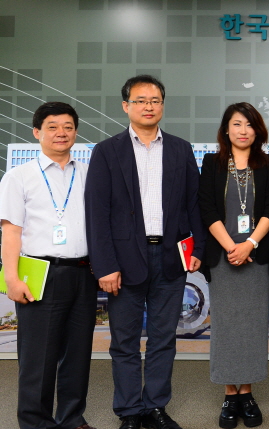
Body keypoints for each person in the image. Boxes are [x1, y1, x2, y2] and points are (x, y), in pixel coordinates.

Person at [85, 75, 206, 429]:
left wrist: (197, 247)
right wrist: (104, 265)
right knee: (124, 342)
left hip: (170, 258)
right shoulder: (107, 151)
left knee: (163, 339)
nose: (148, 107)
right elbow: (97, 212)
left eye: (155, 100)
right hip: (123, 263)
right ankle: (128, 411)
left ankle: (155, 407)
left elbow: (194, 204)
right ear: (126, 106)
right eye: (140, 101)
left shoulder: (181, 149)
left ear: (162, 105)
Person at [0, 102, 96, 429]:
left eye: (68, 127)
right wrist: (12, 279)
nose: (61, 133)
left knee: (78, 354)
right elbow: (11, 232)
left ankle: (71, 418)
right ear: (37, 132)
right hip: (40, 273)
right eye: (52, 127)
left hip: (83, 273)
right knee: (37, 357)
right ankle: (35, 422)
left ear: (76, 132)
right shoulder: (19, 176)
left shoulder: (88, 174)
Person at [198, 102, 269, 428]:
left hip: (255, 257)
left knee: (252, 326)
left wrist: (250, 245)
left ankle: (247, 392)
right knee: (226, 326)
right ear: (226, 129)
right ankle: (229, 394)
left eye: (249, 124)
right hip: (223, 257)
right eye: (237, 124)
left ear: (257, 130)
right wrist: (232, 247)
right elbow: (206, 208)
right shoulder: (212, 163)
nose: (243, 131)